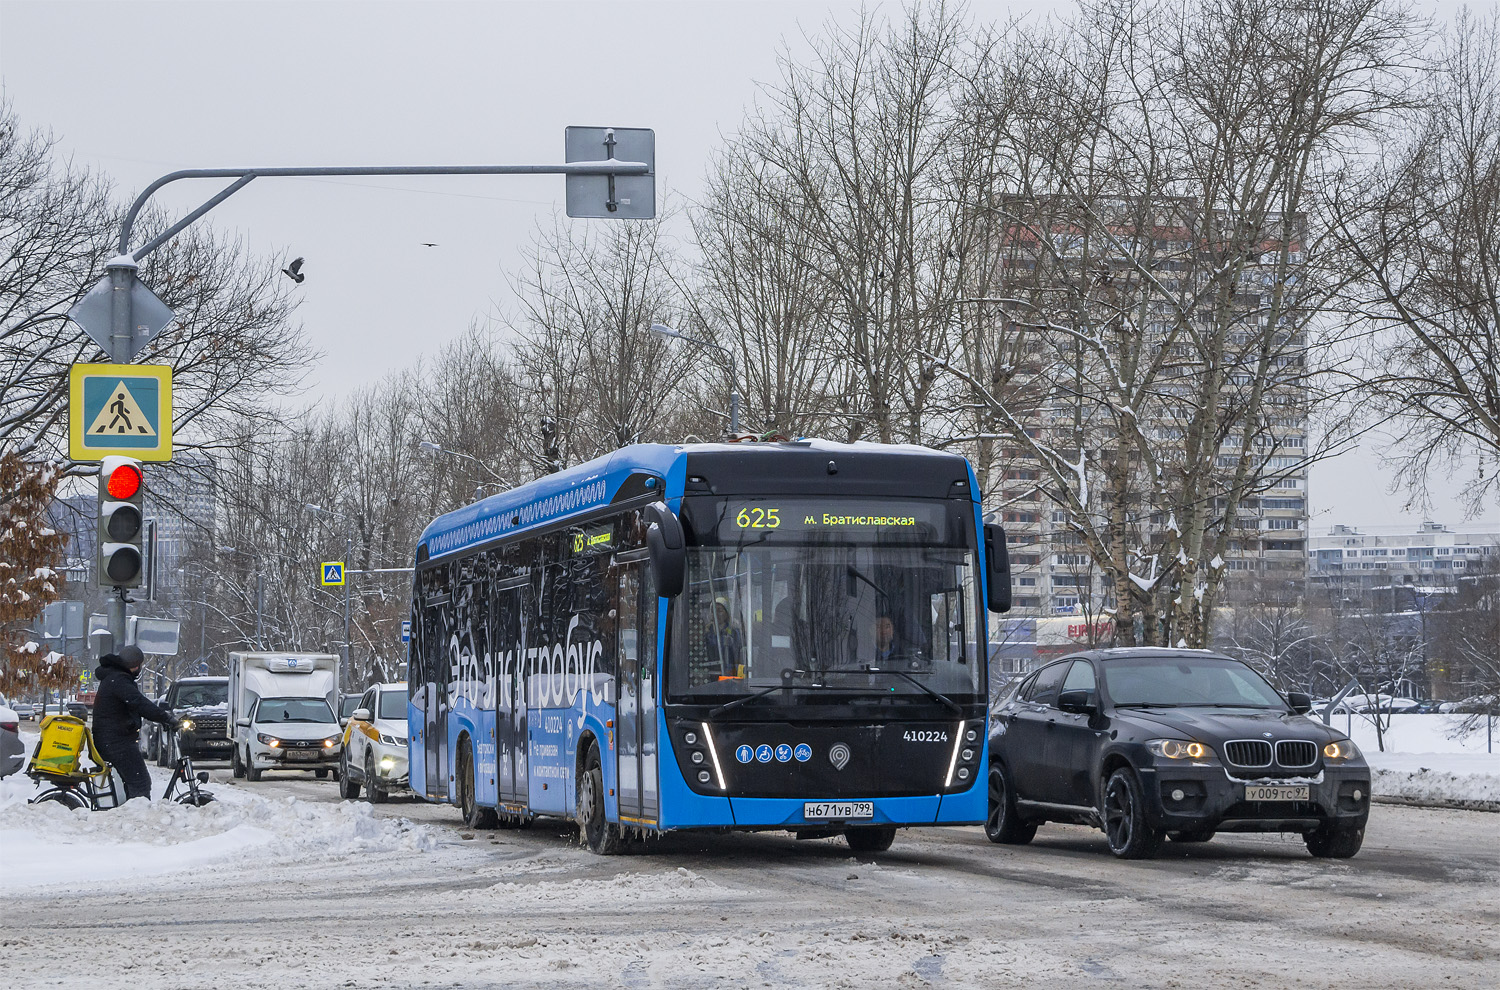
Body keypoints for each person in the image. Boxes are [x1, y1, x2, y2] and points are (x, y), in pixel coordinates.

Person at [92, 645, 179, 801]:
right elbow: (139, 703)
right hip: (116, 741)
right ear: (136, 665)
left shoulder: (114, 677)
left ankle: (129, 809)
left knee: (132, 781)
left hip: (110, 739)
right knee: (140, 783)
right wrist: (166, 718)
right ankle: (138, 814)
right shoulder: (119, 680)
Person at [702, 597, 744, 676]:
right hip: (710, 673)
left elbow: (738, 655)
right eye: (713, 611)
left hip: (729, 674)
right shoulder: (706, 633)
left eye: (720, 611)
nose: (716, 614)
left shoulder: (734, 632)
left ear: (726, 613)